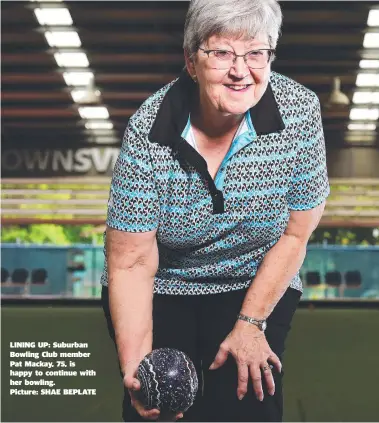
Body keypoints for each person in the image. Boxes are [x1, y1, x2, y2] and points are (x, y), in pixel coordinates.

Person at [101, 0, 330, 421]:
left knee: (246, 405)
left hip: (255, 275)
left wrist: (251, 323)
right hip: (164, 283)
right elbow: (131, 261)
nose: (240, 70)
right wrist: (136, 370)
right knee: (153, 406)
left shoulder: (299, 112)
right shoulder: (150, 129)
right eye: (221, 53)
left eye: (257, 53)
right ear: (191, 61)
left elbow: (296, 234)